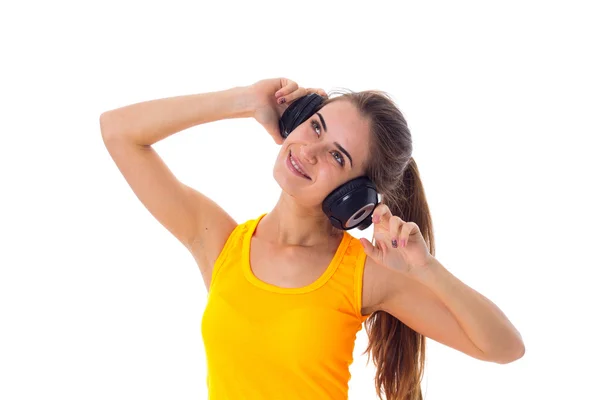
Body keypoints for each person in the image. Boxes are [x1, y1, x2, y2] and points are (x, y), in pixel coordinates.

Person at [99, 77, 525, 400]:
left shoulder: (363, 273)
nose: (309, 151)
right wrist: (246, 101)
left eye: (338, 156)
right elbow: (118, 131)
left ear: (354, 196)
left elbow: (505, 348)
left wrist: (426, 269)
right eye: (316, 127)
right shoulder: (222, 245)